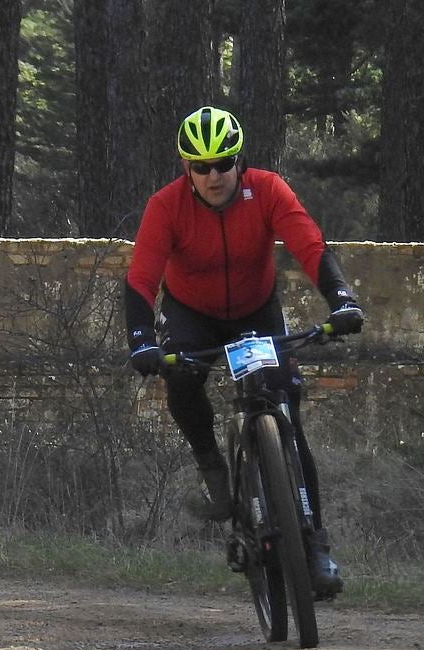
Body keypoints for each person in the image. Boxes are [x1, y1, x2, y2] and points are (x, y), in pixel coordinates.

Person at [123, 105, 365, 597]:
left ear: (240, 160)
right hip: (193, 312)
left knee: (286, 416)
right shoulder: (166, 206)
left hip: (255, 313)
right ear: (185, 167)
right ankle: (211, 461)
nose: (214, 176)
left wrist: (341, 300)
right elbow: (142, 278)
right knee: (182, 377)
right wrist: (141, 340)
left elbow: (310, 246)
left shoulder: (268, 190)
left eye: (223, 163)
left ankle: (313, 543)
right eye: (200, 166)